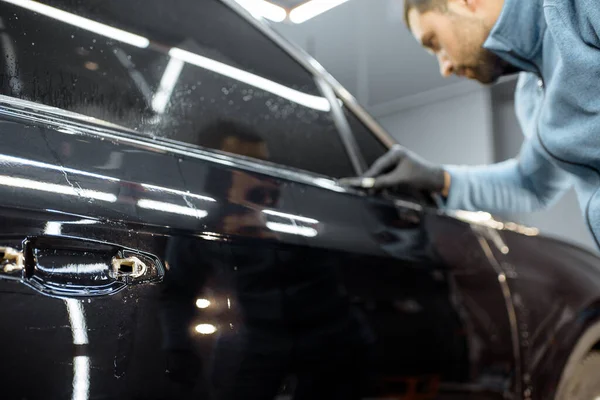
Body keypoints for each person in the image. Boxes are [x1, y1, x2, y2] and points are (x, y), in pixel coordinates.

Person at [347, 0, 600, 247]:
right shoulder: (531, 94)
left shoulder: (574, 8)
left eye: (434, 43)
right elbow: (531, 185)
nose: (444, 67)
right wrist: (439, 178)